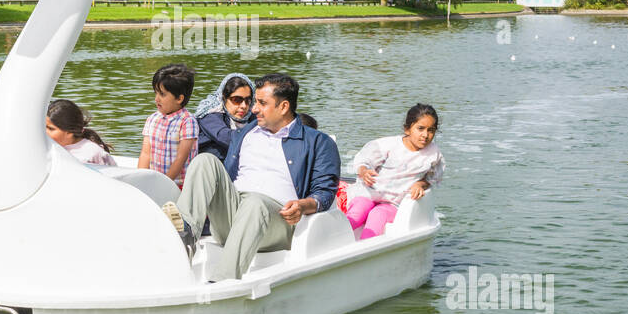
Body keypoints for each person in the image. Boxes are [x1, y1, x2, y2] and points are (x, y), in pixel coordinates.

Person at [161, 73, 341, 278]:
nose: (253, 108)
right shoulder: (246, 133)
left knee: (255, 203)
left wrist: (303, 205)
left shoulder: (318, 142)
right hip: (234, 212)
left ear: (283, 107)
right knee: (205, 161)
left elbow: (324, 193)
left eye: (262, 103)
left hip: (278, 222)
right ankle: (187, 235)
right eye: (256, 102)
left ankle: (223, 282)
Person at [346, 104, 444, 240]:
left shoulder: (433, 154)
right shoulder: (388, 145)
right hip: (369, 193)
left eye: (431, 130)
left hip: (393, 203)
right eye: (420, 128)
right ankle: (331, 242)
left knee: (377, 214)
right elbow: (363, 160)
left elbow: (433, 178)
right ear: (407, 129)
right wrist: (364, 171)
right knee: (358, 212)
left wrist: (421, 184)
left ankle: (362, 251)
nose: (425, 135)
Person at [138, 64, 198, 186]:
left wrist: (164, 184)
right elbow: (145, 154)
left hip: (179, 184)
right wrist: (140, 180)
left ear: (179, 99)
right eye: (156, 93)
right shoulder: (152, 119)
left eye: (162, 94)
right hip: (154, 181)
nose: (156, 99)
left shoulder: (187, 122)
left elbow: (180, 159)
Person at [194, 73, 254, 161]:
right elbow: (225, 137)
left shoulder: (254, 116)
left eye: (248, 100)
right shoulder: (210, 116)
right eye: (237, 100)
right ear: (224, 98)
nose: (244, 106)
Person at [46, 99, 116, 166]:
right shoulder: (47, 148)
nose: (45, 132)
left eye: (51, 129)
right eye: (44, 127)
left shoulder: (93, 153)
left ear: (69, 132)